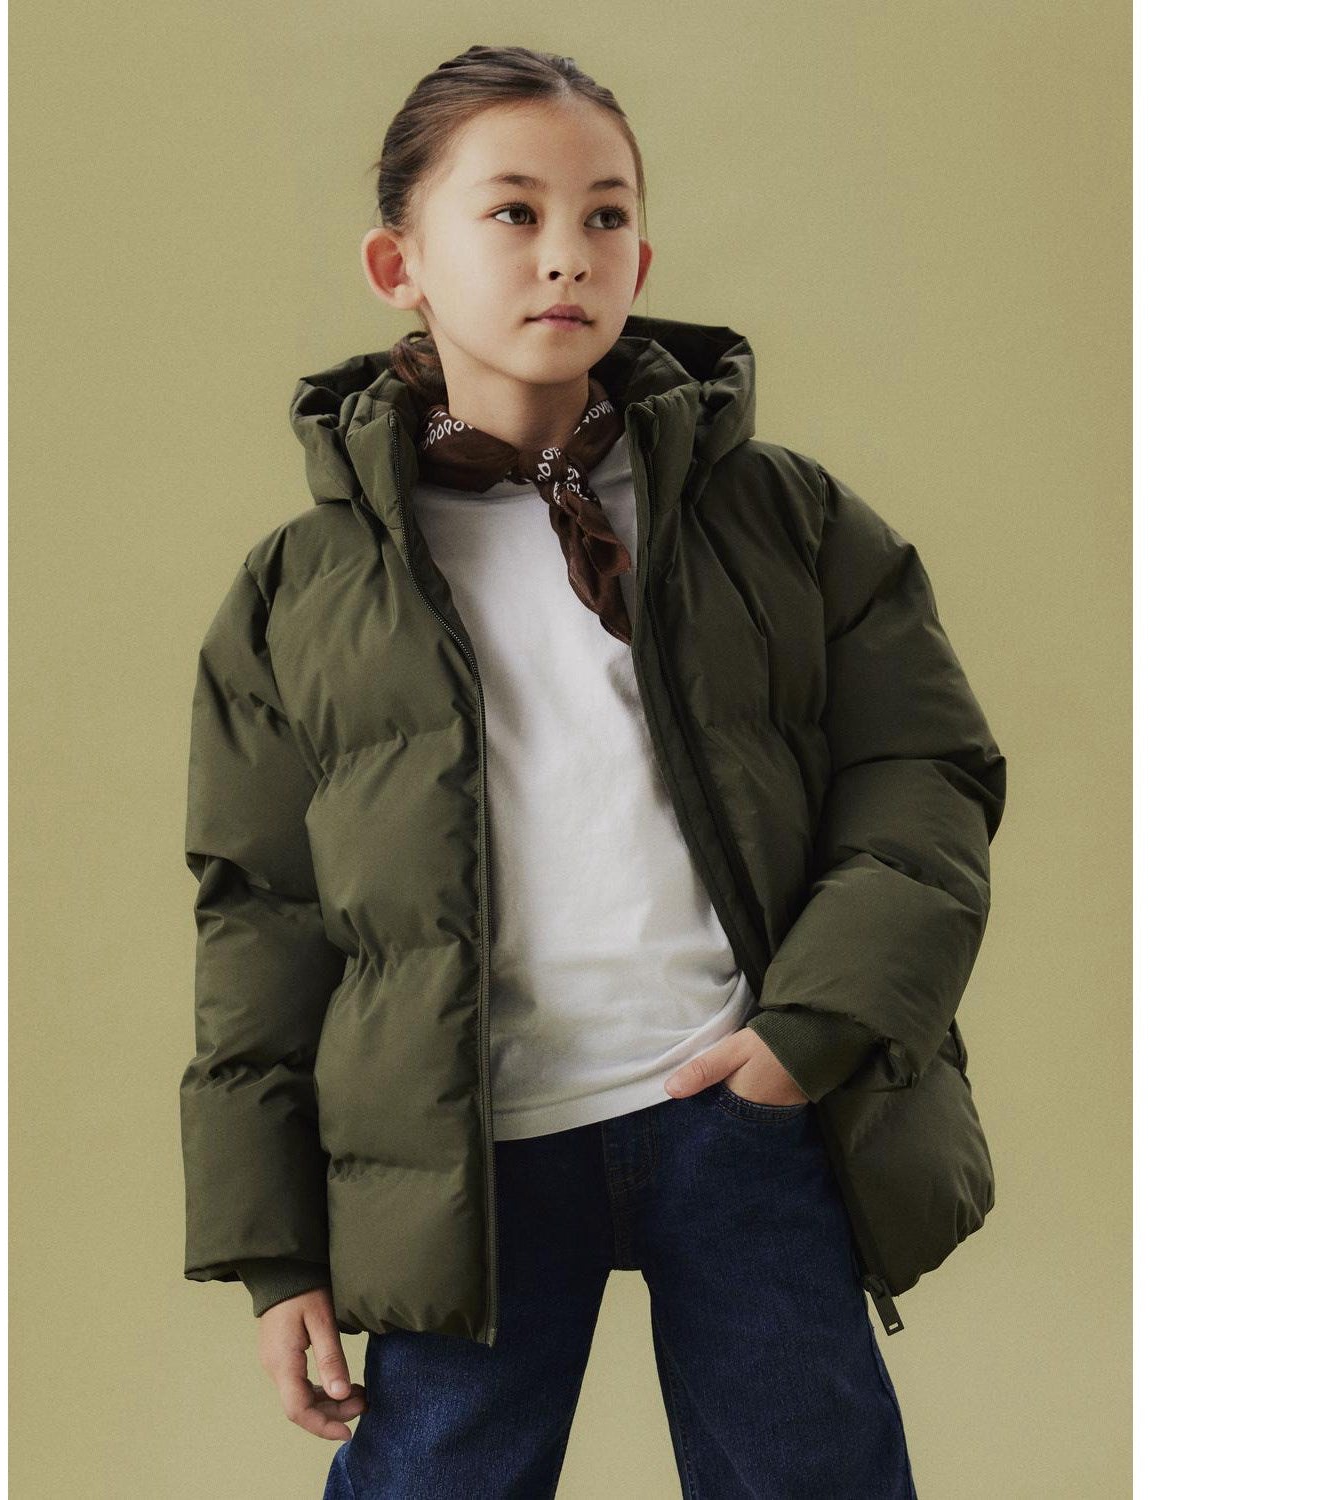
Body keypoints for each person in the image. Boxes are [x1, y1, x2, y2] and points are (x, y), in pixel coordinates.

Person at [179, 43, 1006, 1499]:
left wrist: (807, 1037)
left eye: (606, 215)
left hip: (741, 1109)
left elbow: (924, 777)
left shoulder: (784, 518)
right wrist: (274, 1250)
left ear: (642, 256)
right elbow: (261, 914)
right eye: (513, 212)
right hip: (467, 1157)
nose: (567, 252)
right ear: (397, 264)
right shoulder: (301, 591)